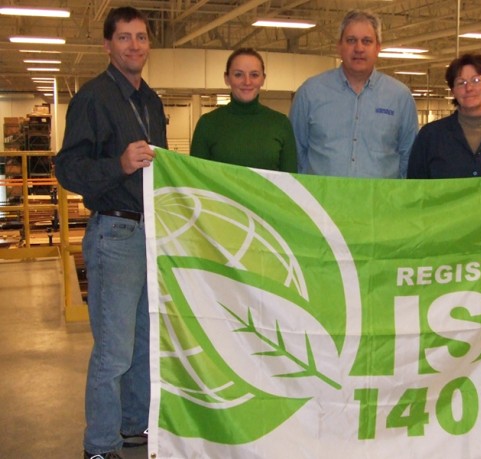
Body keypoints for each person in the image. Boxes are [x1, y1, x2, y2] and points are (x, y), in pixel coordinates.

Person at [54, 6, 167, 459]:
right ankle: (99, 445)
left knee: (142, 344)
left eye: (141, 37)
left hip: (151, 233)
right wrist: (118, 164)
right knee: (114, 350)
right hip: (115, 234)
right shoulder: (93, 98)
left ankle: (132, 427)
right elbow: (68, 168)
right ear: (107, 45)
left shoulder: (152, 101)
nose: (134, 45)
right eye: (124, 38)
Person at [289, 9, 418, 178]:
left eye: (367, 41)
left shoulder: (400, 98)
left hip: (379, 203)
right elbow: (296, 154)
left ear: (378, 47)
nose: (359, 48)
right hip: (322, 203)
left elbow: (408, 158)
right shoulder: (310, 93)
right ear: (339, 46)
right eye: (351, 40)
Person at [407, 53, 481, 178]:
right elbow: (416, 188)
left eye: (476, 80)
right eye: (461, 82)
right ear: (453, 91)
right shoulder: (430, 136)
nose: (469, 88)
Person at [191, 48, 297, 172]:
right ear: (227, 78)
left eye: (254, 75)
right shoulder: (207, 124)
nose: (247, 82)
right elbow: (195, 179)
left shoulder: (281, 124)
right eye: (238, 74)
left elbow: (291, 182)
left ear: (263, 79)